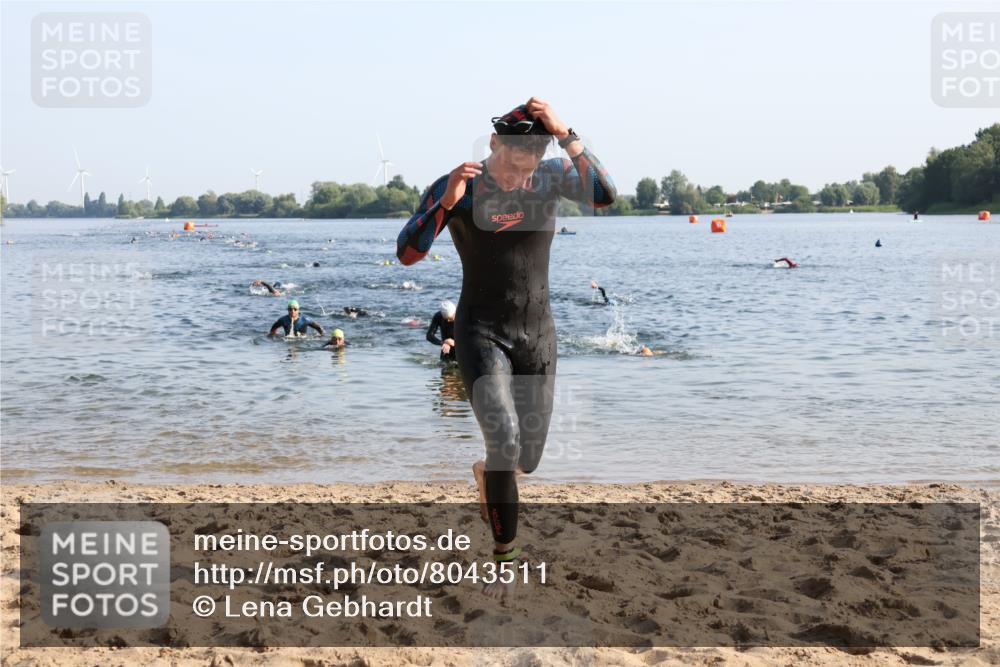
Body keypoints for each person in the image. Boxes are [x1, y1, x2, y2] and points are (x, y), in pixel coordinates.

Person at [397, 97, 615, 597]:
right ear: (494, 143)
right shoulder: (462, 185)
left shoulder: (554, 175)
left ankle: (487, 475)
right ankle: (505, 558)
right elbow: (407, 254)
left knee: (528, 460)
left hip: (538, 333)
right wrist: (444, 204)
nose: (520, 176)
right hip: (481, 332)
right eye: (513, 164)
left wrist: (565, 130)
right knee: (504, 444)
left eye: (529, 166)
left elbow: (604, 195)